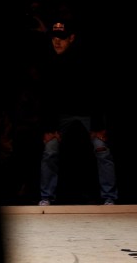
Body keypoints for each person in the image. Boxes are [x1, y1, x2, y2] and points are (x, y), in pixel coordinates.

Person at [37, 18, 118, 206]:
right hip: (61, 114)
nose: (57, 41)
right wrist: (49, 127)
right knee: (50, 149)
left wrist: (97, 125)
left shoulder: (86, 59)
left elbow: (98, 92)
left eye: (62, 38)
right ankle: (46, 196)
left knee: (102, 148)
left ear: (71, 38)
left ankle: (109, 197)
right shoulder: (48, 60)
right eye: (54, 37)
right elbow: (47, 96)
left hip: (88, 112)